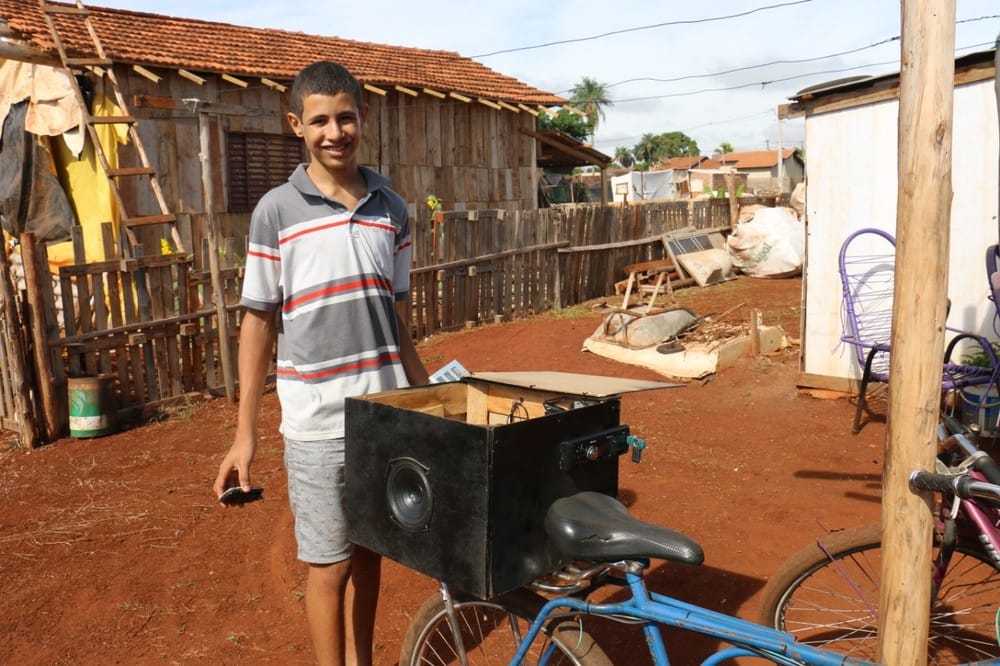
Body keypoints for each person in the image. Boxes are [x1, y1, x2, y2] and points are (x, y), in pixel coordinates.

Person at [213, 60, 430, 666]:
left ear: (364, 117)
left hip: (384, 415)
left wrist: (431, 400)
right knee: (329, 564)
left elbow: (397, 321)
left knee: (370, 555)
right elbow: (257, 323)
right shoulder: (276, 212)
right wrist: (244, 435)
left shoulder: (393, 209)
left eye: (345, 117)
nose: (334, 132)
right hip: (316, 424)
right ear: (296, 126)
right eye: (319, 121)